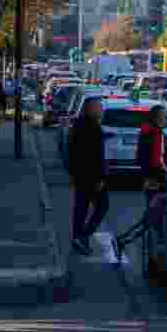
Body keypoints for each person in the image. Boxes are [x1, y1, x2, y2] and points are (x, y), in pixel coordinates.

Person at [114, 106, 167, 256]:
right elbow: (158, 160)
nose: (166, 120)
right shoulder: (157, 133)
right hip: (157, 180)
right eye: (164, 116)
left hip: (147, 178)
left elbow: (141, 157)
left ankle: (128, 241)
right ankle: (126, 241)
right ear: (158, 118)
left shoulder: (145, 132)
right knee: (154, 217)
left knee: (151, 215)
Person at [68, 98, 108, 256]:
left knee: (81, 208)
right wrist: (100, 178)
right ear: (90, 109)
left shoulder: (78, 125)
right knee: (103, 205)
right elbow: (94, 156)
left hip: (80, 174)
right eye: (99, 108)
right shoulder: (92, 127)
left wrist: (72, 172)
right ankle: (83, 236)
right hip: (91, 176)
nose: (101, 111)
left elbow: (71, 151)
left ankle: (77, 237)